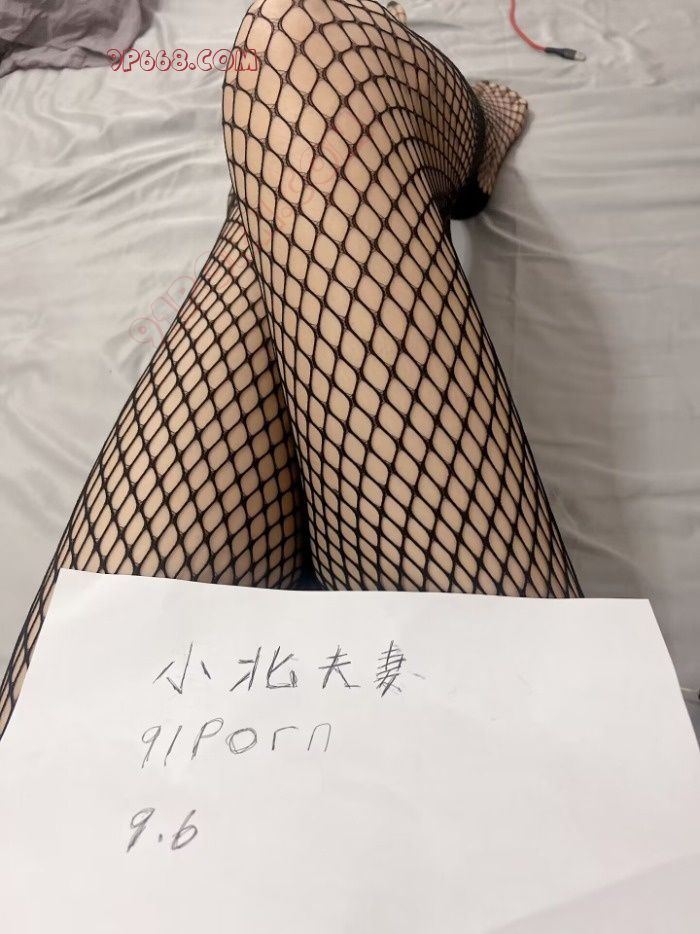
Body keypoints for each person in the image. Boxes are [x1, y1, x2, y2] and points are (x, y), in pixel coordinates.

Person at [0, 0, 581, 738]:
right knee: (302, 38)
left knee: (293, 61)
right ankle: (328, 172)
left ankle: (272, 192)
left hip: (58, 791)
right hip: (527, 765)